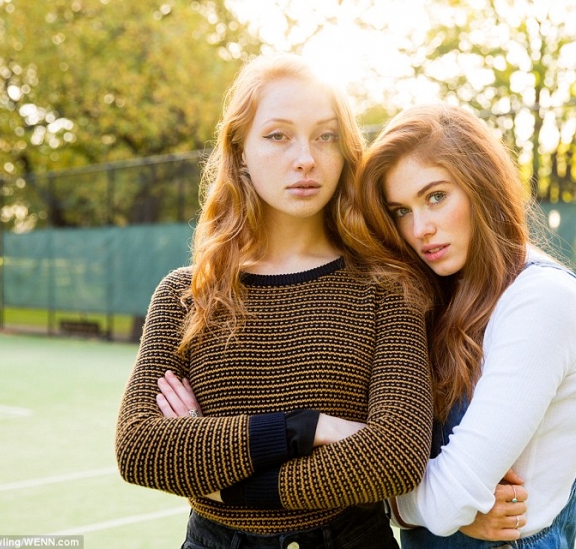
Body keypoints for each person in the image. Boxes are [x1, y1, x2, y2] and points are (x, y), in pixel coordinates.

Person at [115, 53, 439, 549]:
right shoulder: (186, 294)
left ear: (346, 150)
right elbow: (140, 447)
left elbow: (395, 455)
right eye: (278, 135)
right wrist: (304, 429)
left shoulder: (387, 288)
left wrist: (225, 478)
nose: (306, 157)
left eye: (325, 135)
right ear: (239, 151)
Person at [355, 104, 576, 548]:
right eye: (400, 210)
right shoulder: (439, 292)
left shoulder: (544, 301)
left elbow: (448, 501)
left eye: (436, 196)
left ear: (481, 186)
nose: (420, 229)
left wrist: (402, 503)